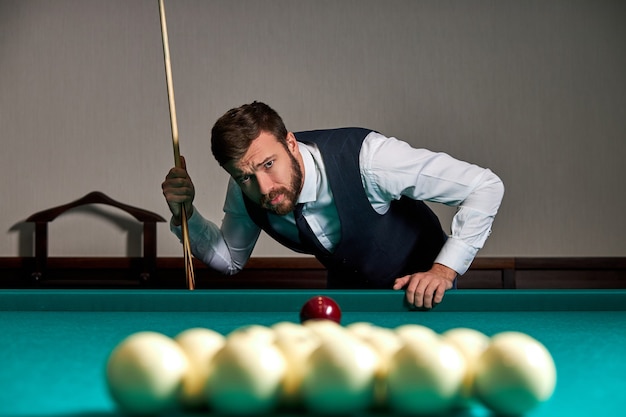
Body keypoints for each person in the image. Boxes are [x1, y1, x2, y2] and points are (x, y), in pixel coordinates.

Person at [162, 101, 504, 308]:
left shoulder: (370, 160)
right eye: (244, 176)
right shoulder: (246, 187)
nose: (264, 187)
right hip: (349, 302)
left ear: (291, 143)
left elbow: (485, 187)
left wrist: (443, 271)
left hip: (425, 294)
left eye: (269, 164)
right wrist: (187, 215)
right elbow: (231, 259)